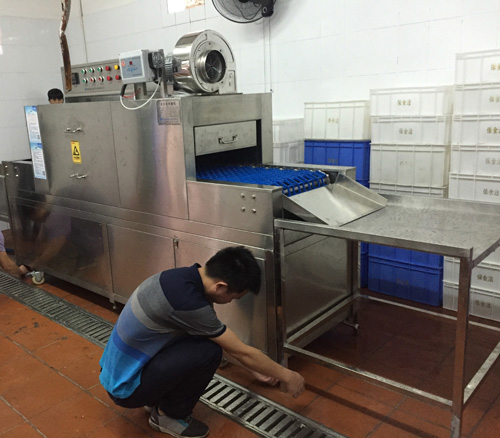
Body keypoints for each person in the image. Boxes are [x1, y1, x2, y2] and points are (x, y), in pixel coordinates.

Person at [99, 246, 305, 438]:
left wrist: (254, 369)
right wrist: (288, 375)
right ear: (221, 287)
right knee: (209, 352)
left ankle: (154, 396)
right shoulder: (188, 303)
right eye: (234, 298)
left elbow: (216, 337)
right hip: (126, 388)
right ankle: (168, 416)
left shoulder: (183, 279)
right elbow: (241, 351)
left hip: (118, 371)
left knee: (205, 343)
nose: (231, 302)